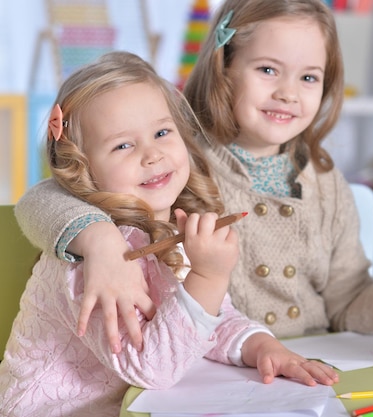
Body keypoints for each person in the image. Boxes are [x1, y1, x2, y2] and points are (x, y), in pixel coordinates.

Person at [14, 0, 373, 344]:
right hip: (206, 368)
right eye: (268, 69)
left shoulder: (328, 186)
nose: (289, 93)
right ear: (224, 67)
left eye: (308, 78)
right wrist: (101, 243)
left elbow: (348, 305)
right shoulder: (178, 155)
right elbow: (42, 198)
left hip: (309, 376)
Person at [0, 51, 337, 417]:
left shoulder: (172, 229)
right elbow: (151, 367)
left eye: (162, 132)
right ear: (82, 168)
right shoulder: (90, 260)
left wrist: (262, 347)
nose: (152, 154)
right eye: (123, 145)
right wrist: (208, 276)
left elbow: (214, 319)